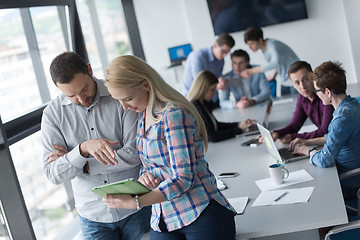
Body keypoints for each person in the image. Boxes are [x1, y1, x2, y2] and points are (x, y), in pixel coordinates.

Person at [103, 55, 236, 240]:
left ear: (146, 84)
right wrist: (145, 177)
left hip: (199, 210)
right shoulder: (142, 116)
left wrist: (135, 202)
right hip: (164, 216)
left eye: (128, 98)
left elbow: (183, 179)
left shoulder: (173, 114)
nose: (124, 107)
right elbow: (152, 165)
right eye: (118, 101)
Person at [41, 52, 151, 240]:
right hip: (93, 216)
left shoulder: (120, 96)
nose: (82, 99)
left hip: (136, 206)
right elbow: (53, 173)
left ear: (90, 70)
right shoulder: (53, 115)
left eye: (84, 89)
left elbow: (135, 153)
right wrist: (83, 149)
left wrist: (81, 164)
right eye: (71, 95)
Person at [292, 61, 360, 202]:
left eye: (317, 91)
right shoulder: (352, 105)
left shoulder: (341, 118)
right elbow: (334, 137)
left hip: (349, 181)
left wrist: (308, 151)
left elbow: (325, 159)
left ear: (327, 92)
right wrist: (307, 141)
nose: (316, 95)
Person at [270, 61, 334, 143]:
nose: (302, 86)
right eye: (297, 82)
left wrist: (293, 137)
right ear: (293, 84)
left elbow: (325, 131)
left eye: (306, 79)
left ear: (313, 77)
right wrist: (277, 134)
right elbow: (294, 126)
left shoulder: (325, 95)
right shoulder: (302, 98)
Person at [188, 70, 255, 142]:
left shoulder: (203, 103)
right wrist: (240, 129)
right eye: (213, 90)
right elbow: (212, 136)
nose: (214, 93)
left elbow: (216, 126)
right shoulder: (195, 106)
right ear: (203, 88)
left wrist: (239, 124)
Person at [241, 27, 299, 96]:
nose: (250, 47)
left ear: (260, 40)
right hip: (285, 80)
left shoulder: (272, 46)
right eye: (248, 45)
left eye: (252, 44)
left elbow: (275, 63)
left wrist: (252, 71)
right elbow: (279, 62)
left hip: (296, 79)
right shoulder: (264, 49)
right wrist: (273, 75)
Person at [183, 33, 235, 109]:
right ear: (216, 45)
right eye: (223, 51)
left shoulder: (221, 61)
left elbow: (216, 80)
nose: (224, 55)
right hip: (195, 100)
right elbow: (200, 82)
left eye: (227, 52)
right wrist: (217, 85)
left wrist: (221, 82)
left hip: (212, 98)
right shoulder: (197, 56)